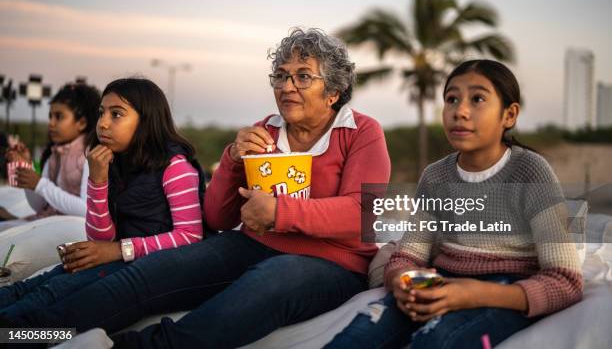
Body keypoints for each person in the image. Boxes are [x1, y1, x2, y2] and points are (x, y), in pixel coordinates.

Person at [8, 28, 391, 349]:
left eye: (303, 76)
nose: (287, 86)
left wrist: (279, 212)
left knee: (270, 282)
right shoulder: (267, 129)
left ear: (334, 92)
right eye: (281, 75)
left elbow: (363, 212)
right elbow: (217, 217)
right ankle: (24, 332)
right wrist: (232, 160)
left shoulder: (362, 132)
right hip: (251, 243)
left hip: (332, 265)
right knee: (144, 276)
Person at [325, 60, 583, 348]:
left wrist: (473, 294)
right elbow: (408, 254)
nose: (460, 111)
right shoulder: (435, 176)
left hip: (505, 290)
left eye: (478, 99)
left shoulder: (531, 172)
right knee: (358, 336)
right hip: (441, 281)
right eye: (451, 99)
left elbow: (565, 280)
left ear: (509, 115)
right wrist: (401, 281)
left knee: (437, 340)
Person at [0, 78, 205, 319]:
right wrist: (98, 181)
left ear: (146, 121)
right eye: (101, 113)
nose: (103, 124)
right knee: (33, 286)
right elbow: (100, 238)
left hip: (154, 269)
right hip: (122, 259)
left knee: (49, 297)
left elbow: (190, 237)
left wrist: (119, 249)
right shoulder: (112, 162)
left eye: (116, 114)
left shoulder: (175, 167)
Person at [1, 83, 100, 226]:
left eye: (59, 117)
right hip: (47, 222)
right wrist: (28, 170)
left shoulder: (89, 157)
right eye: (50, 116)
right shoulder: (54, 156)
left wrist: (40, 184)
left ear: (82, 123)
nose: (51, 123)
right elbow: (40, 206)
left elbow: (87, 209)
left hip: (72, 231)